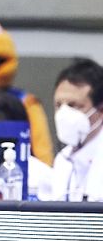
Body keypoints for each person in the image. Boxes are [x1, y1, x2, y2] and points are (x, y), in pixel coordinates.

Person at [44, 59, 103, 202]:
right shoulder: (62, 160)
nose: (64, 113)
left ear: (100, 110)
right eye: (58, 105)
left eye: (74, 105)